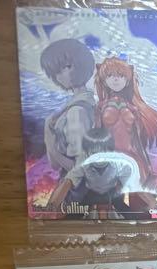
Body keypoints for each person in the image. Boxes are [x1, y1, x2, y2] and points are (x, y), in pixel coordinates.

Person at [94, 57, 157, 189]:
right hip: (109, 158)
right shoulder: (100, 107)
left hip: (134, 157)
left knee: (140, 196)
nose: (116, 79)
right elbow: (95, 136)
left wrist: (147, 165)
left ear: (128, 80)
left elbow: (139, 140)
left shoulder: (134, 108)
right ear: (104, 80)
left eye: (121, 76)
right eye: (110, 76)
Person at [40, 38, 96, 176]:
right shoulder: (88, 102)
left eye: (66, 67)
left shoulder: (76, 111)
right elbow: (54, 165)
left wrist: (51, 144)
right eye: (56, 72)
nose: (60, 76)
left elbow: (81, 169)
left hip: (76, 184)